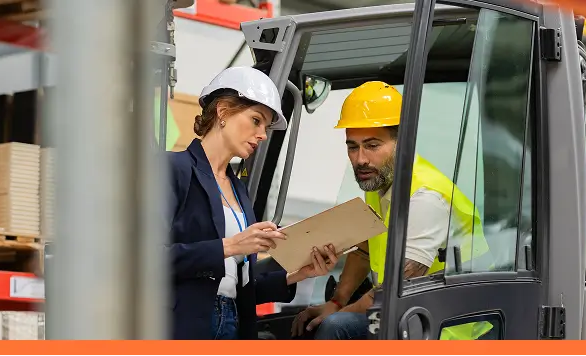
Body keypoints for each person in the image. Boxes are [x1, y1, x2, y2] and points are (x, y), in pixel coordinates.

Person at [290, 81, 490, 340]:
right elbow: (365, 250)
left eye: (372, 145)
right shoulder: (379, 181)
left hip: (448, 330)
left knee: (334, 328)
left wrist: (335, 316)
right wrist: (336, 302)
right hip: (409, 317)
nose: (360, 158)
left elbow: (394, 290)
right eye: (352, 146)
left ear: (403, 142)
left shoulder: (426, 198)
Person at [167, 66, 339, 340]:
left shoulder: (238, 191)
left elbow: (239, 286)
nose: (263, 134)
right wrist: (230, 246)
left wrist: (297, 274)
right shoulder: (173, 169)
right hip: (182, 324)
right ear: (223, 111)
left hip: (233, 320)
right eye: (256, 120)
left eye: (266, 127)